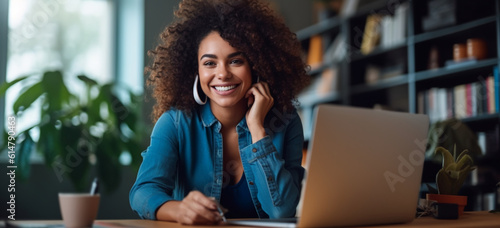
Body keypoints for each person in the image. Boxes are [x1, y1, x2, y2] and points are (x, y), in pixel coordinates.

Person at [129, 0, 310, 225]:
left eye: (235, 61)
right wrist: (179, 211)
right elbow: (143, 192)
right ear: (195, 70)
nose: (222, 74)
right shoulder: (175, 124)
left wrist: (256, 128)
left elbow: (281, 210)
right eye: (210, 63)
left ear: (256, 66)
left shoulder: (286, 122)